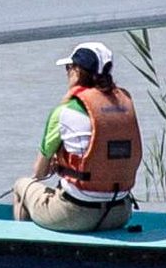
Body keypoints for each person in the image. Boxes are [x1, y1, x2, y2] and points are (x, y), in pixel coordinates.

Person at [12, 43, 142, 232]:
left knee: (22, 185)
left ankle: (23, 250)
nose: (67, 73)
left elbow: (39, 172)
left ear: (77, 71)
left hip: (76, 214)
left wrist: (59, 165)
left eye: (68, 67)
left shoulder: (63, 111)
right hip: (120, 213)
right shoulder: (123, 107)